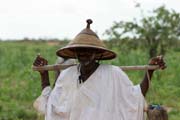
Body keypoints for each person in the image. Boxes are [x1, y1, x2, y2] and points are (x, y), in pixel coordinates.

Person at [33, 19, 166, 120]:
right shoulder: (67, 75)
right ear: (75, 53)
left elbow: (135, 96)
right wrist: (43, 74)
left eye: (88, 50)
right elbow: (52, 104)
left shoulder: (113, 74)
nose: (83, 54)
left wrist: (150, 71)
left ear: (97, 54)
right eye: (80, 50)